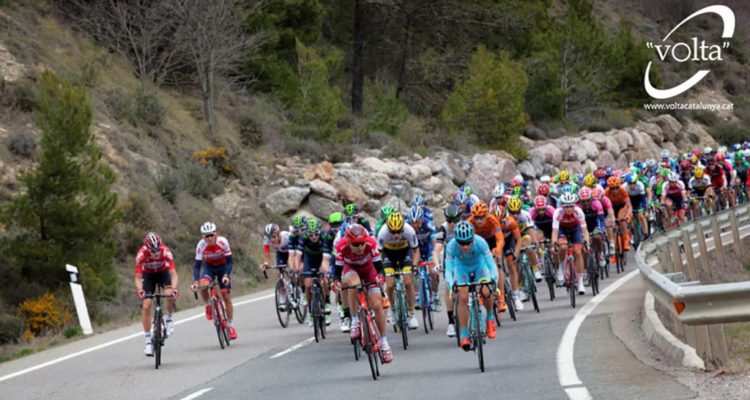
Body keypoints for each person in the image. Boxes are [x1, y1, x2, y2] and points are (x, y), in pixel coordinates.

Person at [334, 224, 393, 363]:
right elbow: (337, 271)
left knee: (377, 305)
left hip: (369, 270)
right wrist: (336, 282)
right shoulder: (341, 247)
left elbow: (380, 268)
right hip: (351, 270)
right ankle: (354, 319)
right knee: (354, 284)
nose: (360, 247)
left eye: (362, 243)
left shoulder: (371, 244)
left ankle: (384, 342)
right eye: (356, 244)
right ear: (349, 242)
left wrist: (380, 277)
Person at [444, 221, 498, 350]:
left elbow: (491, 264)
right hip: (461, 268)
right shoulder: (451, 246)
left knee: (486, 290)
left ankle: (490, 317)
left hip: (480, 267)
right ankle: (463, 333)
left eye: (468, 242)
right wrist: (451, 286)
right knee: (462, 296)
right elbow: (448, 269)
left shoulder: (480, 242)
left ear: (473, 238)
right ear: (456, 240)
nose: (465, 246)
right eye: (461, 243)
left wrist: (493, 281)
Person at [191, 221, 237, 340]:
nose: (210, 238)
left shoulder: (223, 242)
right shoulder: (201, 245)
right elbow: (197, 266)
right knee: (203, 285)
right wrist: (195, 282)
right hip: (210, 268)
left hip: (223, 268)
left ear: (216, 234)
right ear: (203, 237)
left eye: (211, 235)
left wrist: (226, 275)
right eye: (207, 236)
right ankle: (209, 305)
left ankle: (230, 326)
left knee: (225, 295)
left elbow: (230, 261)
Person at [135, 232, 178, 356]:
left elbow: (173, 274)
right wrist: (140, 290)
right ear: (147, 249)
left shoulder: (166, 252)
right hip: (148, 276)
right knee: (146, 305)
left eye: (158, 249)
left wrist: (174, 288)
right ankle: (148, 341)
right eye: (153, 251)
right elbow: (137, 277)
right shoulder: (141, 254)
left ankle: (169, 320)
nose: (156, 252)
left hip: (163, 274)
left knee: (170, 294)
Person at [377, 211, 420, 329]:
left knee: (408, 282)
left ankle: (411, 314)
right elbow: (378, 254)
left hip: (404, 253)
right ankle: (392, 308)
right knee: (390, 285)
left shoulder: (409, 230)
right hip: (388, 254)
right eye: (393, 232)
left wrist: (415, 266)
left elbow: (416, 250)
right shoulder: (382, 232)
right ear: (388, 229)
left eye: (399, 231)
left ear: (403, 227)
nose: (396, 235)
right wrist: (381, 270)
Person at [295, 219, 332, 327]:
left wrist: (327, 269)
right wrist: (297, 269)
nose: (314, 237)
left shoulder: (324, 236)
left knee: (324, 280)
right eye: (311, 234)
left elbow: (329, 255)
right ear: (307, 233)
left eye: (316, 234)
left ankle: (326, 303)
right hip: (309, 259)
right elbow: (298, 255)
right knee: (307, 285)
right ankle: (311, 312)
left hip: (322, 258)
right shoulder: (303, 238)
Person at [551, 193, 590, 295]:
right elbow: (554, 231)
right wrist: (554, 244)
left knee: (578, 251)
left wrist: (586, 242)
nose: (568, 209)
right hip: (562, 230)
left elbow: (584, 230)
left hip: (574, 229)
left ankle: (580, 282)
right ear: (562, 206)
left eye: (571, 206)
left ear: (574, 205)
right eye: (566, 206)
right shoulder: (558, 212)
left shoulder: (578, 212)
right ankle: (561, 269)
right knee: (563, 247)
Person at [434, 204, 460, 337]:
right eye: (449, 221)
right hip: (449, 260)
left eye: (455, 221)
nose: (452, 224)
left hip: (463, 259)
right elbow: (437, 248)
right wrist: (437, 263)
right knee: (449, 288)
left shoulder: (465, 226)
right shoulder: (443, 228)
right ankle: (451, 322)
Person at [260, 223, 293, 310]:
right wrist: (266, 263)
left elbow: (294, 253)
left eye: (274, 236)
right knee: (278, 273)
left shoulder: (287, 236)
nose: (272, 240)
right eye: (270, 237)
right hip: (281, 253)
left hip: (292, 252)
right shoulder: (266, 240)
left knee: (292, 268)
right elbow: (267, 254)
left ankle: (296, 286)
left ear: (279, 234)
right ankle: (282, 298)